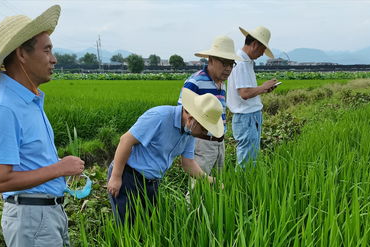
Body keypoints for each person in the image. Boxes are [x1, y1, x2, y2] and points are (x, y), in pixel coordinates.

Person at [0, 5, 85, 247]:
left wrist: (58, 173)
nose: (54, 58)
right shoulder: (3, 107)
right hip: (32, 218)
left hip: (48, 213)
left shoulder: (30, 99)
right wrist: (60, 168)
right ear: (21, 55)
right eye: (47, 49)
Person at [107, 89, 224, 224]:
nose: (204, 133)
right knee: (128, 227)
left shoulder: (189, 132)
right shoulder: (159, 116)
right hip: (128, 176)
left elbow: (188, 164)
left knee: (150, 226)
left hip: (152, 182)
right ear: (191, 120)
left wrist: (209, 180)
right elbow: (125, 141)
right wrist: (116, 177)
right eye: (204, 128)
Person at [177, 36, 242, 178]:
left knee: (216, 186)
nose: (228, 69)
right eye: (224, 63)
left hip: (219, 143)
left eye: (231, 64)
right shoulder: (195, 82)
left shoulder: (221, 84)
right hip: (202, 144)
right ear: (211, 59)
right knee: (198, 187)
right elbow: (181, 113)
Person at [227, 26, 279, 166]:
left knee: (251, 158)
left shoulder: (246, 61)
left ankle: (246, 185)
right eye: (262, 50)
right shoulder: (241, 62)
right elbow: (244, 93)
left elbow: (248, 91)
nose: (262, 54)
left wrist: (263, 90)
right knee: (247, 161)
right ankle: (243, 187)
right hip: (246, 118)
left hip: (250, 117)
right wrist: (263, 87)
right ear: (255, 44)